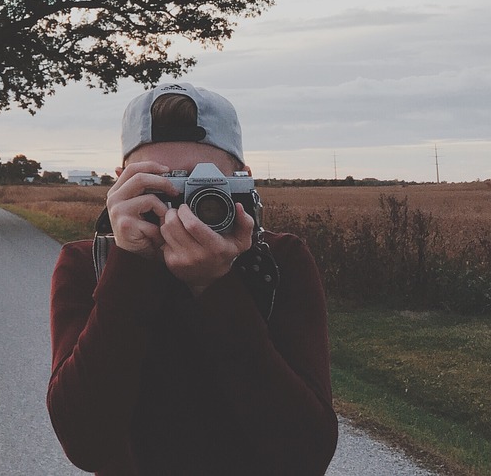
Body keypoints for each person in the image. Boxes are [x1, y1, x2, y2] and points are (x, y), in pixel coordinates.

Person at [46, 82, 338, 475]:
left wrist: (214, 286)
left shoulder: (280, 261)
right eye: (163, 185)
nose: (183, 208)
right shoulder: (88, 264)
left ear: (244, 182)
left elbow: (307, 454)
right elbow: (86, 444)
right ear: (121, 184)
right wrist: (130, 266)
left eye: (204, 185)